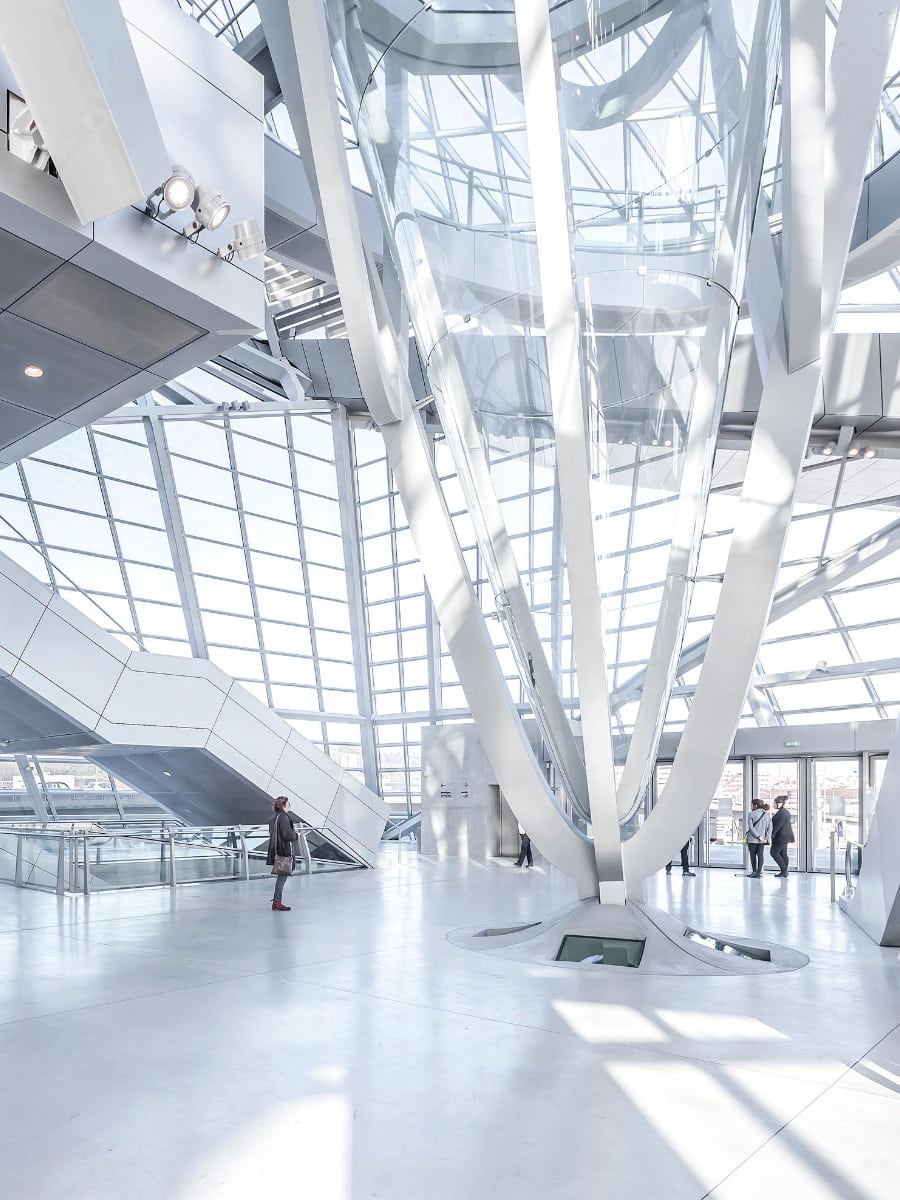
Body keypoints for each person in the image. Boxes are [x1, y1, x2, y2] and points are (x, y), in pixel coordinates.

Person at [267, 796, 298, 910]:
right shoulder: (284, 817)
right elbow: (287, 835)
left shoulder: (274, 817)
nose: (290, 805)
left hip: (277, 849)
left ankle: (277, 901)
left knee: (282, 875)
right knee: (283, 875)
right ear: (284, 805)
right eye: (288, 803)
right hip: (284, 850)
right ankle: (277, 902)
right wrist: (296, 835)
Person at [745, 798, 772, 878]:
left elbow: (751, 827)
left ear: (755, 805)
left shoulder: (751, 814)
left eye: (751, 804)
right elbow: (770, 828)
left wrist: (758, 836)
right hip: (762, 840)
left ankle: (754, 871)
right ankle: (759, 873)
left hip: (753, 839)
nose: (751, 806)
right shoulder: (767, 815)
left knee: (752, 855)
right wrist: (766, 838)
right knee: (760, 855)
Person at [770, 795, 794, 877]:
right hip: (786, 836)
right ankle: (784, 871)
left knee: (774, 852)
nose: (773, 804)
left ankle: (784, 870)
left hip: (780, 837)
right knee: (783, 853)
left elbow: (777, 826)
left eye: (774, 803)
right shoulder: (785, 812)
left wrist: (771, 834)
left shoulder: (781, 814)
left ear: (780, 803)